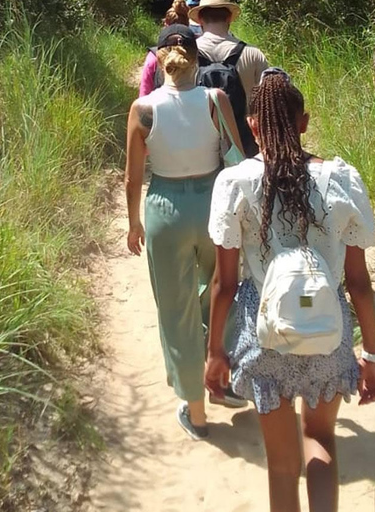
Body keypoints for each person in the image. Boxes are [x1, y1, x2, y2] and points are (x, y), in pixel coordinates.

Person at [205, 69, 375, 512]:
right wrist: (373, 356)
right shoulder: (340, 180)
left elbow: (224, 283)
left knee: (282, 465)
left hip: (265, 332)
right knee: (321, 440)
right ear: (304, 122)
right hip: (329, 328)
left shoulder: (235, 183)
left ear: (252, 126)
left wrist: (214, 351)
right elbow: (360, 283)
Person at [125, 24, 246, 441]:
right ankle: (221, 380)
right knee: (222, 292)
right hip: (214, 204)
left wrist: (133, 223)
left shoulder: (144, 109)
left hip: (166, 210)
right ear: (198, 58)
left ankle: (195, 412)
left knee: (175, 311)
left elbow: (133, 177)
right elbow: (238, 158)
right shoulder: (216, 99)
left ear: (159, 59)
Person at [189, 0, 269, 157]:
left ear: (199, 20)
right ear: (228, 18)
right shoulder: (253, 54)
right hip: (244, 143)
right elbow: (265, 104)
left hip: (199, 144)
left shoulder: (187, 55)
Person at [139, 0, 192, 97]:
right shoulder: (194, 56)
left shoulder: (153, 57)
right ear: (188, 26)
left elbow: (144, 94)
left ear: (165, 26)